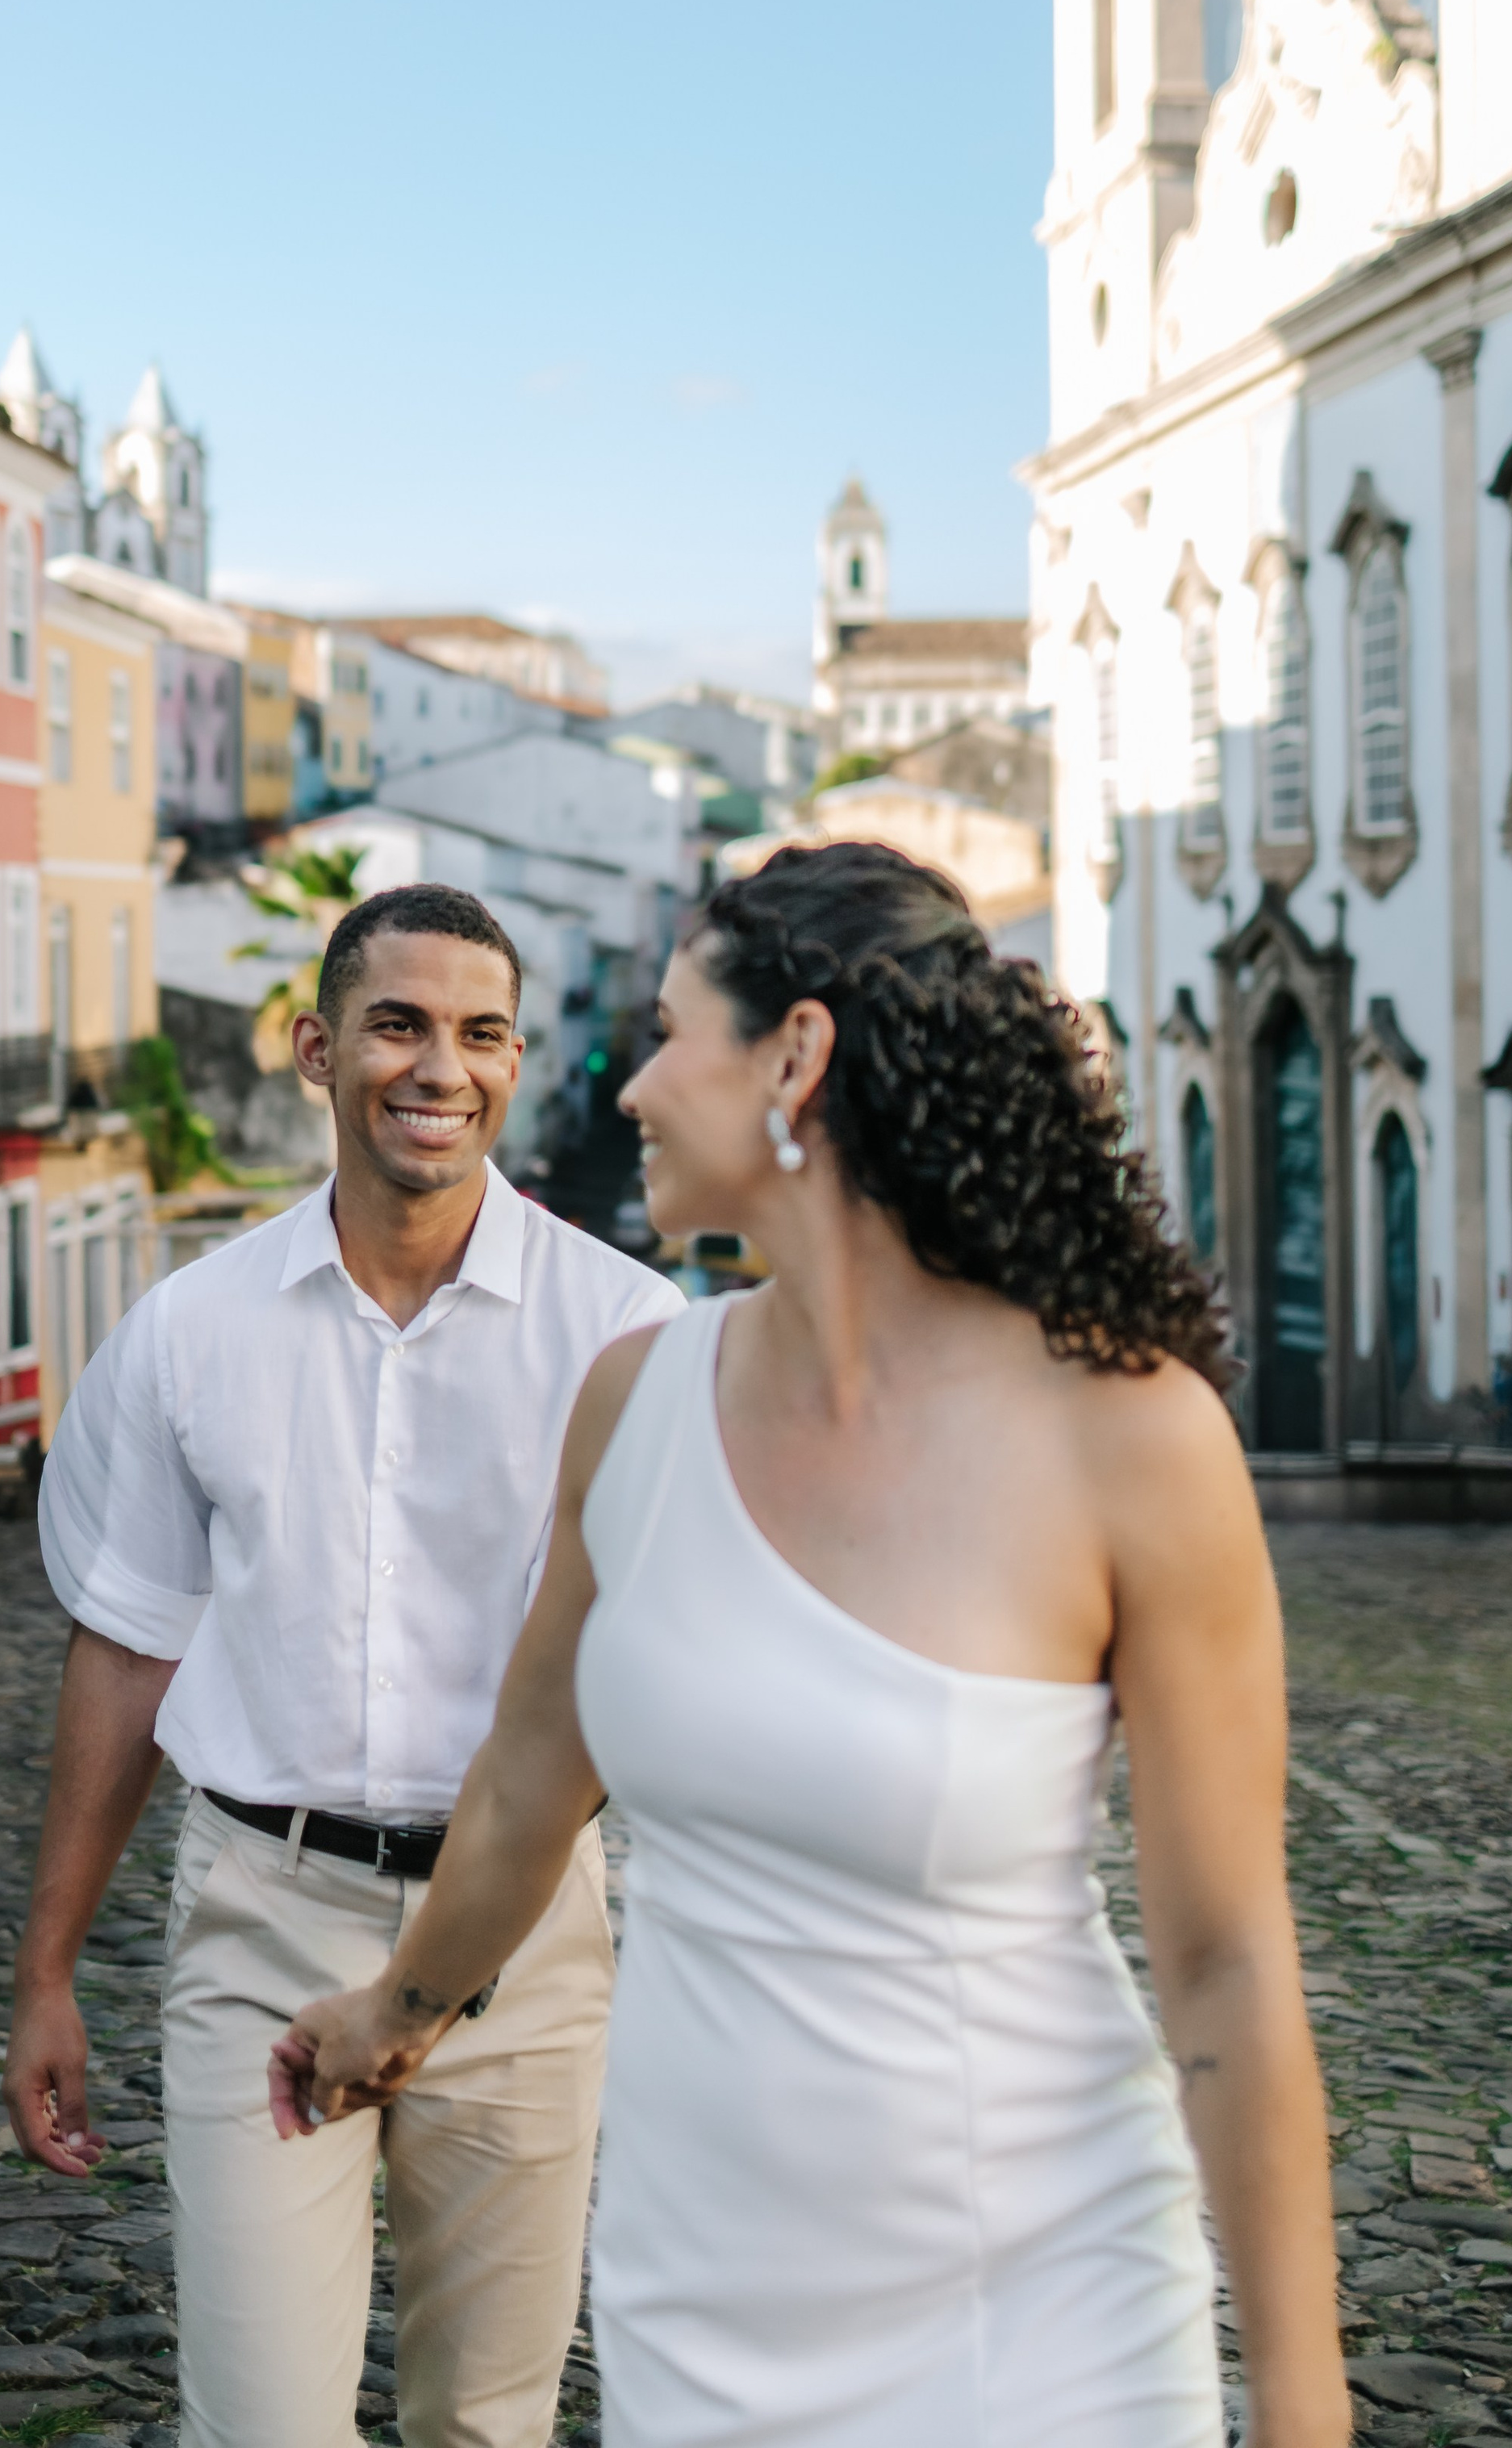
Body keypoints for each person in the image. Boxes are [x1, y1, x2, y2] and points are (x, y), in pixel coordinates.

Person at [273, 843, 1351, 2448]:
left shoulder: (1131, 1440)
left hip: (1034, 2307)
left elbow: (1225, 1961)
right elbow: (522, 1782)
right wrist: (397, 2007)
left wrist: (1300, 2403)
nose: (627, 1087)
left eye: (669, 1033)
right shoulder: (637, 1406)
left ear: (793, 1055)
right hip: (696, 2301)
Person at [5, 883, 683, 2448]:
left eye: (479, 1031)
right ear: (317, 1048)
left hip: (521, 1946)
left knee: (485, 2426)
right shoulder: (187, 1335)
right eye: (397, 1024)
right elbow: (125, 1657)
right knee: (255, 2427)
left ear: (514, 1063)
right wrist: (47, 1971)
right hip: (259, 1919)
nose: (439, 1065)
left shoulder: (626, 1335)